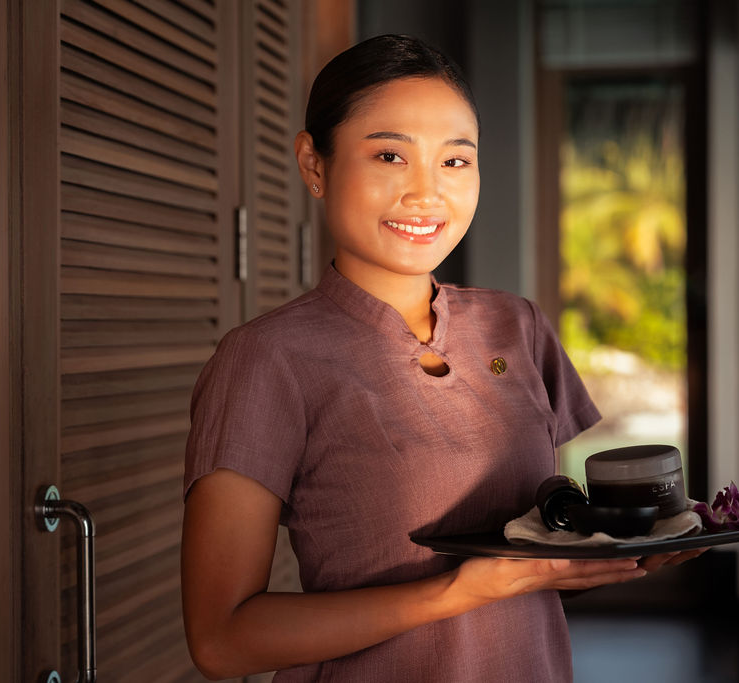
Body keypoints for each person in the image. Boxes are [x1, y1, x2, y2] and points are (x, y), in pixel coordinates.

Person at [181, 34, 702, 682]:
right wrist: (454, 592)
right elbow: (221, 638)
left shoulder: (517, 326)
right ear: (314, 164)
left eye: (455, 162)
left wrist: (624, 552)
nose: (426, 193)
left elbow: (531, 571)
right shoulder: (266, 360)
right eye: (391, 155)